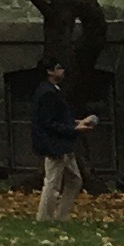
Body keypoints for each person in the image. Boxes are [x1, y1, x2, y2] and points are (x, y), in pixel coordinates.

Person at [33, 66, 84, 223]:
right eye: (59, 68)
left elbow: (57, 118)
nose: (63, 71)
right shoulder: (48, 93)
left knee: (74, 180)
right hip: (54, 144)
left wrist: (76, 123)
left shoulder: (53, 90)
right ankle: (44, 218)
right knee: (52, 182)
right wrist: (73, 129)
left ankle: (61, 215)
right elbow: (48, 123)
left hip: (63, 144)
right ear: (50, 71)